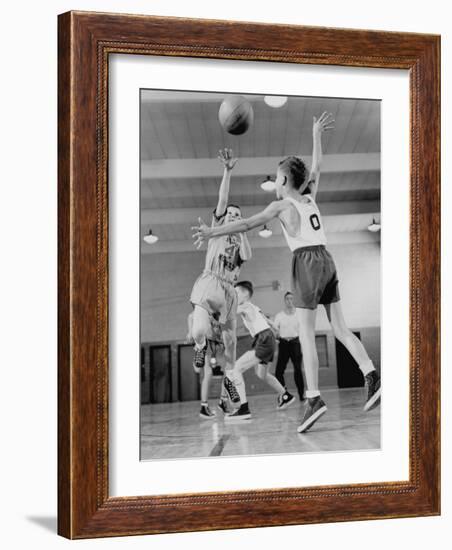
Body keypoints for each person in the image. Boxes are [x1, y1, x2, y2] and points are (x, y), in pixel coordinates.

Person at [192, 112, 381, 433]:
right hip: (328, 260)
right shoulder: (309, 196)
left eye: (277, 178)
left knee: (307, 333)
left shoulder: (280, 206)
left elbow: (248, 224)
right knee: (340, 328)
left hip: (306, 261)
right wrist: (316, 135)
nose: (275, 183)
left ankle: (313, 397)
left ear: (282, 182)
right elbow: (317, 168)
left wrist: (212, 233)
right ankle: (371, 375)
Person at [189, 148, 252, 414]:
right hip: (210, 281)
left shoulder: (240, 243)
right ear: (224, 217)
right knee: (200, 331)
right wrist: (227, 171)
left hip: (228, 292)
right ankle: (201, 347)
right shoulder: (216, 231)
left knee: (231, 349)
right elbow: (222, 199)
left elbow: (248, 255)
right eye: (231, 215)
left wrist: (244, 230)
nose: (234, 218)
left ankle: (229, 389)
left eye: (239, 217)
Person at [222, 281, 295, 421]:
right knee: (262, 374)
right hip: (268, 338)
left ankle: (243, 409)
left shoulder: (245, 306)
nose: (235, 296)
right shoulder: (254, 307)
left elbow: (229, 314)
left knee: (236, 369)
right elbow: (267, 320)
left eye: (236, 293)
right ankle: (285, 396)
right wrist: (274, 327)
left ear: (245, 294)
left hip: (263, 338)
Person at [186, 312, 224, 419]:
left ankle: (222, 401)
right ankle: (204, 406)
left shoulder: (217, 310)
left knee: (228, 371)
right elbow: (191, 317)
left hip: (215, 342)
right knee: (207, 373)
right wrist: (190, 332)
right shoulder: (201, 310)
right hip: (206, 341)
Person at [273, 291, 305, 401]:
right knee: (278, 372)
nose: (289, 301)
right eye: (287, 299)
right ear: (284, 301)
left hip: (295, 343)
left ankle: (302, 395)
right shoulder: (279, 315)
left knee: (298, 370)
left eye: (291, 299)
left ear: (293, 300)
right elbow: (275, 331)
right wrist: (276, 336)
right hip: (283, 344)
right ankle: (284, 393)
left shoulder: (299, 315)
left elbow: (304, 331)